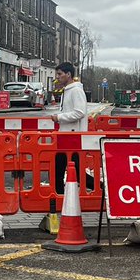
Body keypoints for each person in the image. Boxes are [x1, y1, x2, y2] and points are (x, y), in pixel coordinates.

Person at [48, 62, 94, 194]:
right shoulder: (67, 91)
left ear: (68, 75)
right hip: (66, 136)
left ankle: (104, 189)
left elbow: (80, 112)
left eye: (60, 74)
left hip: (74, 138)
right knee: (59, 168)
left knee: (76, 173)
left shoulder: (76, 91)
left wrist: (59, 117)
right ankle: (59, 197)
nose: (57, 77)